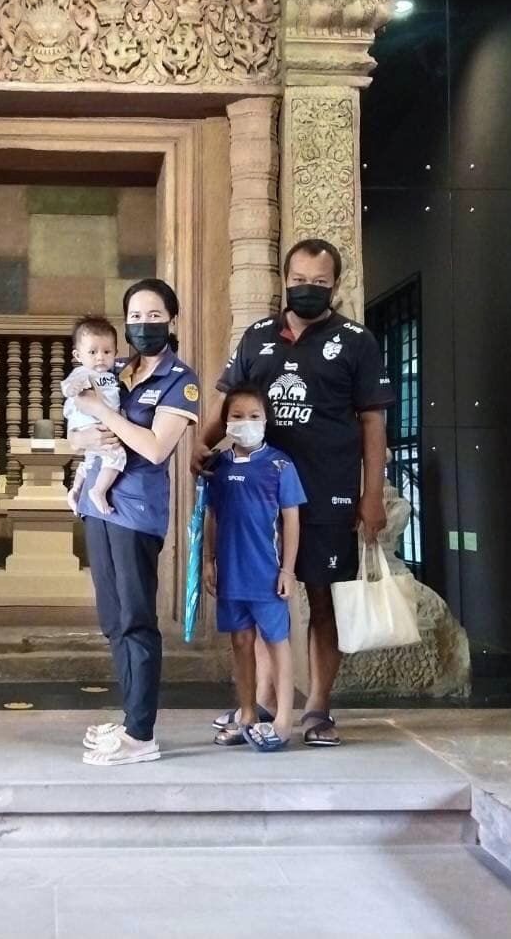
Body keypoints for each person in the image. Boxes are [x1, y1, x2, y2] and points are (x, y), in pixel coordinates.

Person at [194, 239, 394, 747]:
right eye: (300, 280)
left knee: (322, 597)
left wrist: (372, 495)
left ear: (335, 285)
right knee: (261, 594)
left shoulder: (356, 341)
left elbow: (373, 421)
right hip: (258, 496)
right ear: (285, 280)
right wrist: (203, 444)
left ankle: (318, 707)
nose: (308, 289)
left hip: (328, 490)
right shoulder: (258, 336)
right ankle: (261, 701)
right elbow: (229, 400)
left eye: (319, 282)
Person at [69, 278, 200, 766]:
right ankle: (129, 719)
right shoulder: (113, 367)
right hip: (97, 506)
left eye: (154, 316)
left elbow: (155, 447)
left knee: (136, 619)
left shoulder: (180, 379)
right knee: (112, 618)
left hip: (137, 512)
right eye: (136, 317)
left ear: (171, 319)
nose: (145, 325)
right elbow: (77, 436)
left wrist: (100, 413)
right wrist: (86, 437)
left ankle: (141, 734)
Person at [202, 384, 305, 752]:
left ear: (266, 420)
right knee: (241, 642)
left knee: (277, 643)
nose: (245, 422)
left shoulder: (280, 465)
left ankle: (283, 720)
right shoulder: (218, 467)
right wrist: (209, 561)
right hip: (230, 575)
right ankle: (247, 714)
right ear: (226, 422)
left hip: (267, 576)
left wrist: (287, 570)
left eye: (254, 416)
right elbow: (212, 516)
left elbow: (291, 520)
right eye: (237, 416)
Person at [61, 316, 124, 515]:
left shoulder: (111, 375)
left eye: (107, 352)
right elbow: (68, 386)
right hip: (91, 422)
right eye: (92, 352)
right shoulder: (84, 372)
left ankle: (75, 490)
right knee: (117, 454)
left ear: (116, 353)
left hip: (99, 423)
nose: (100, 358)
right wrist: (73, 388)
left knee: (91, 459)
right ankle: (99, 490)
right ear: (78, 355)